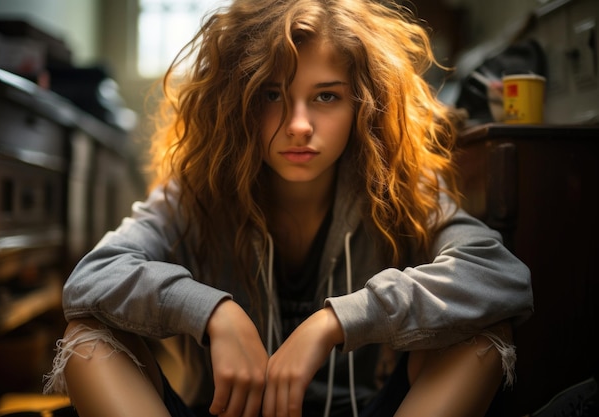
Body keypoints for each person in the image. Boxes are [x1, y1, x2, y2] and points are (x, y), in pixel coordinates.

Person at [43, 0, 534, 416]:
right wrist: (213, 312)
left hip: (367, 407)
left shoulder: (400, 187)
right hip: (227, 409)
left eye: (326, 96)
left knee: (484, 336)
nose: (299, 125)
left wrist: (336, 322)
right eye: (272, 94)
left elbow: (501, 277)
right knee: (87, 339)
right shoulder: (199, 190)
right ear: (239, 104)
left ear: (363, 105)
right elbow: (92, 278)